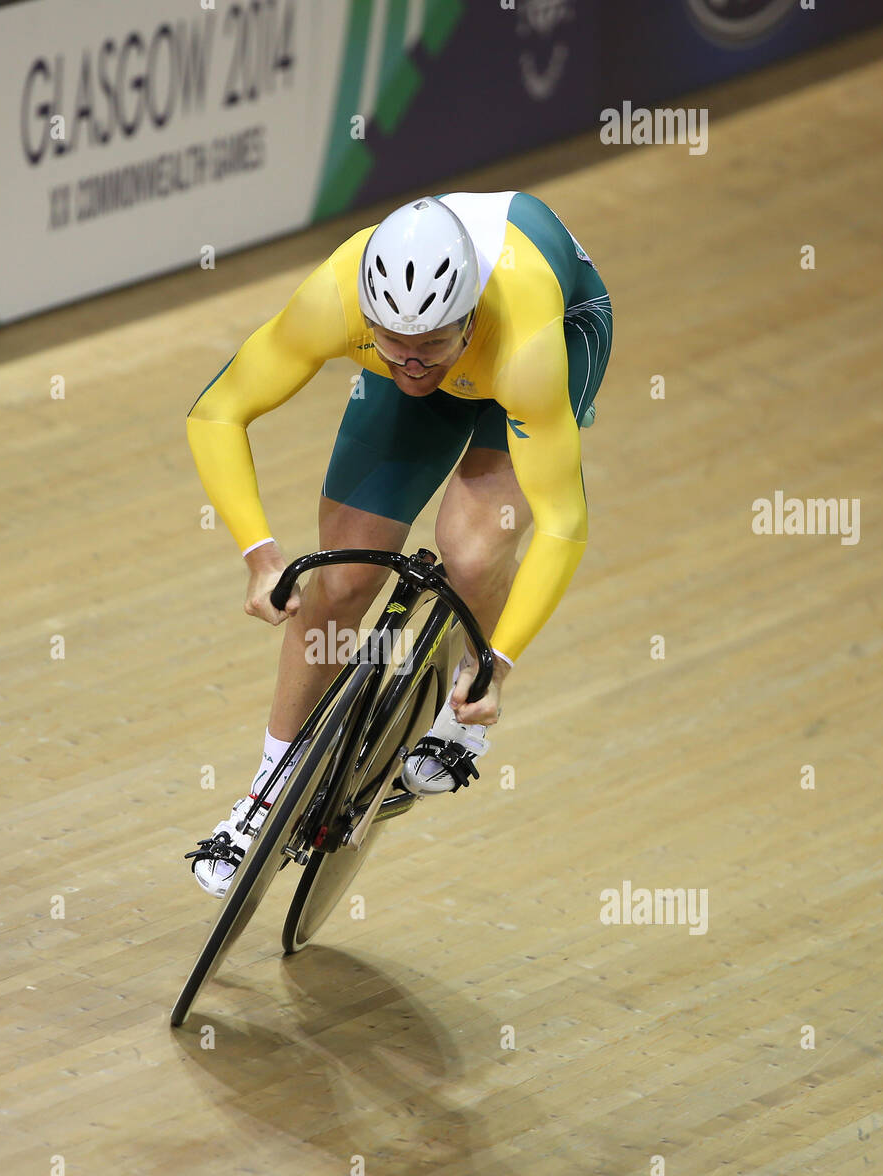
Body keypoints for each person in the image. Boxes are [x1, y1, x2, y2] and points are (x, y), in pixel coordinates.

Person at [185, 191, 612, 895]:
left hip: (555, 330)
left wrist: (498, 663)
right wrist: (259, 555)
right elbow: (217, 412)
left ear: (468, 315)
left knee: (471, 551)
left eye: (430, 346)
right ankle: (266, 792)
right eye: (393, 346)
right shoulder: (334, 297)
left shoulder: (527, 347)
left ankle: (461, 708)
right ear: (368, 317)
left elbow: (564, 524)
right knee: (342, 579)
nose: (412, 367)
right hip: (466, 346)